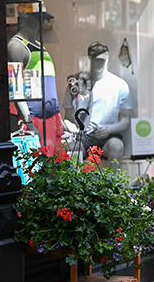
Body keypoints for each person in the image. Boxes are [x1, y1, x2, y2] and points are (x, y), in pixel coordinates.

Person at [63, 42, 133, 169]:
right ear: (90, 59)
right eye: (95, 59)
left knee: (117, 147)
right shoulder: (75, 84)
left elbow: (126, 120)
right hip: (83, 137)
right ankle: (73, 184)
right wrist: (74, 128)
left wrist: (108, 131)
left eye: (101, 60)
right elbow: (68, 116)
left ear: (108, 59)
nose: (98, 63)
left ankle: (111, 185)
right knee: (70, 148)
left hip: (108, 137)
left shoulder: (119, 85)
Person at [7, 9, 64, 153]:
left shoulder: (40, 46)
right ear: (24, 15)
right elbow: (16, 91)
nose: (43, 20)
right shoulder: (16, 47)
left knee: (56, 170)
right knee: (36, 170)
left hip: (52, 120)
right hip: (33, 120)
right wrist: (29, 123)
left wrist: (59, 119)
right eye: (38, 15)